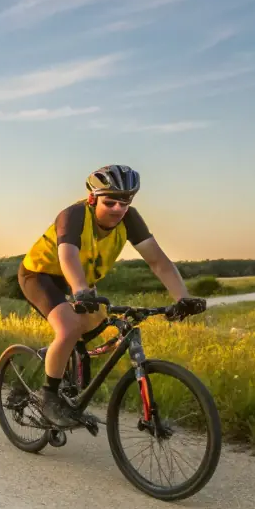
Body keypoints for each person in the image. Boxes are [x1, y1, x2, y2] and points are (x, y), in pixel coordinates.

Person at [18, 165, 205, 426]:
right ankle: (48, 397)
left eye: (124, 202)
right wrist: (80, 290)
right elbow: (68, 255)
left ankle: (61, 364)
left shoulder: (130, 219)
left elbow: (158, 261)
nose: (118, 208)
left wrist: (182, 297)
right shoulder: (73, 215)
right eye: (110, 202)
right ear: (93, 199)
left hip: (82, 280)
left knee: (97, 325)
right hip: (40, 275)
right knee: (69, 328)